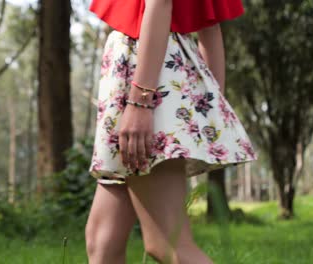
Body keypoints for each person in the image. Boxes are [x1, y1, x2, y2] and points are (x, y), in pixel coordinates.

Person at [85, 0, 257, 263]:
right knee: (102, 243)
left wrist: (140, 102)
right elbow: (210, 27)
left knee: (169, 246)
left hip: (149, 81)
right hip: (148, 79)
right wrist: (209, 109)